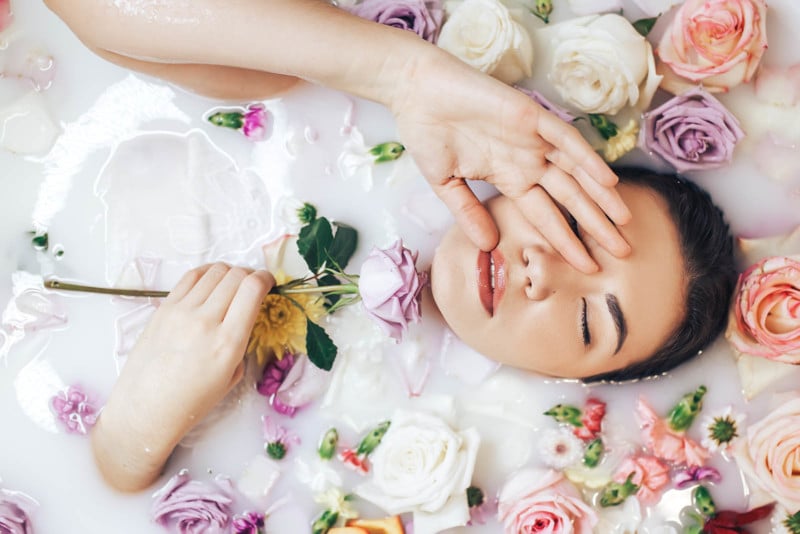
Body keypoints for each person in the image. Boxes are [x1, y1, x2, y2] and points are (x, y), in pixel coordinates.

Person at [91, 167, 736, 492]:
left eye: (587, 319)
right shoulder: (364, 150)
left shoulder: (409, 458)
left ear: (567, 379)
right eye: (573, 227)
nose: (543, 273)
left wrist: (138, 424)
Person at [44, 0, 633, 276]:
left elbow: (111, 25)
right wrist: (396, 73)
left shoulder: (276, 79)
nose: (537, 270)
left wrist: (398, 76)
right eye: (569, 226)